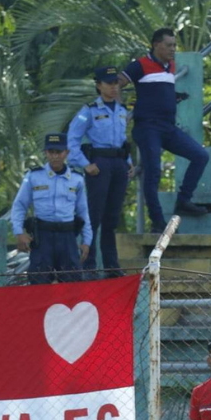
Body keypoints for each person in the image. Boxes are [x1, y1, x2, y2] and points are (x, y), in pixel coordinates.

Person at [120, 28, 209, 233]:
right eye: (169, 45)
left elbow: (158, 91)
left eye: (174, 45)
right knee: (153, 172)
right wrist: (119, 112)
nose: (173, 49)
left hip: (168, 127)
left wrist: (174, 97)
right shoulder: (140, 65)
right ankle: (157, 221)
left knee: (200, 155)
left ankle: (183, 200)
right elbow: (117, 83)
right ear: (156, 45)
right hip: (147, 127)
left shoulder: (171, 66)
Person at [68, 66, 134, 278]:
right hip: (99, 164)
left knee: (112, 218)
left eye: (116, 83)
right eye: (109, 83)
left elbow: (122, 140)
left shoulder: (121, 110)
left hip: (118, 163)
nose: (114, 87)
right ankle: (89, 265)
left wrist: (129, 162)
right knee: (94, 216)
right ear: (98, 85)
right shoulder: (88, 111)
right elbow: (72, 140)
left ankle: (111, 266)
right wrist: (85, 164)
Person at [11, 134, 92, 283]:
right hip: (43, 237)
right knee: (39, 281)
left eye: (59, 152)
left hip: (67, 237)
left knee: (72, 282)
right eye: (51, 152)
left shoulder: (77, 179)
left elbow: (83, 211)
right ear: (46, 153)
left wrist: (87, 240)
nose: (55, 156)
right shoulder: (33, 176)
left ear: (66, 152)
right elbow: (20, 205)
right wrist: (19, 232)